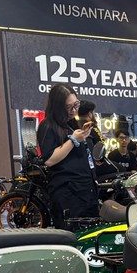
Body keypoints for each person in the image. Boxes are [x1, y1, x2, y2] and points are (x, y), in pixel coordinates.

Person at [37, 83, 97, 228]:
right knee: (71, 235)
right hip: (68, 193)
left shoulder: (71, 123)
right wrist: (73, 140)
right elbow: (49, 159)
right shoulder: (48, 125)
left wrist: (84, 136)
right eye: (69, 107)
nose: (74, 110)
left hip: (85, 189)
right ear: (58, 107)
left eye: (76, 104)